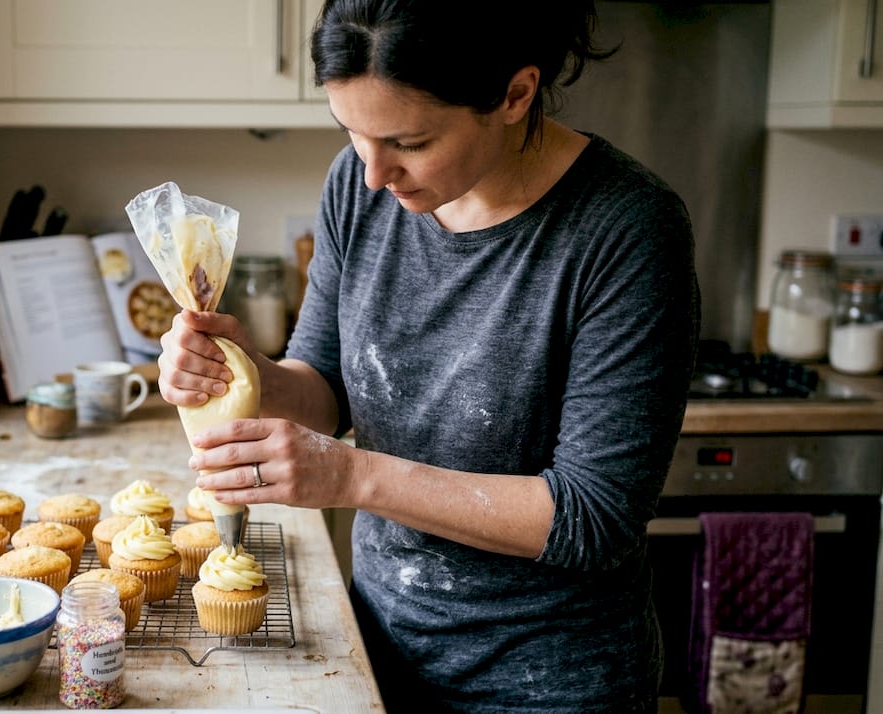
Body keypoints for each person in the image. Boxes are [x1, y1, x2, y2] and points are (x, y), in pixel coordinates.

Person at [158, 1, 700, 710]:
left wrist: (349, 475)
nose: (376, 173)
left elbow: (593, 517)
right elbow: (324, 387)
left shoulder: (626, 230)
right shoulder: (355, 187)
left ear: (515, 94)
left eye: (409, 142)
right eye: (353, 133)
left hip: (549, 683)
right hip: (379, 646)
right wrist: (243, 373)